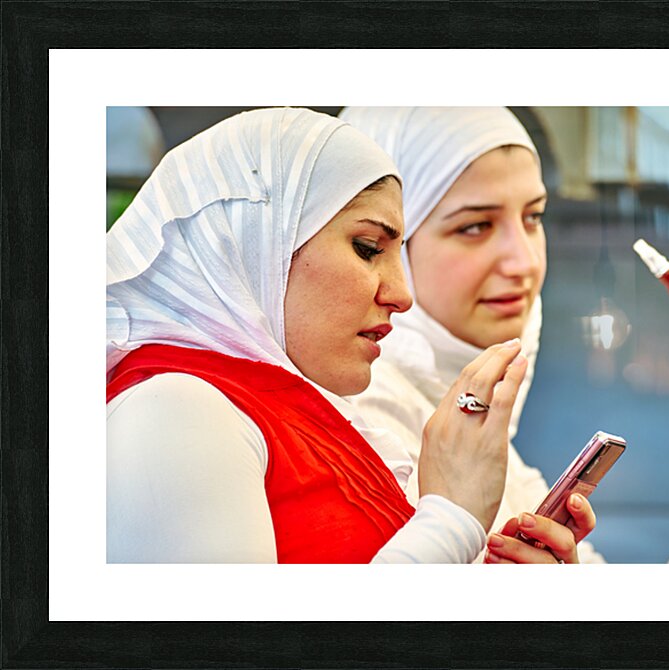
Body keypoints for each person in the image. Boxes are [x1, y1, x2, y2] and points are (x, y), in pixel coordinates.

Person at [341, 106, 669, 564]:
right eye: (475, 226)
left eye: (533, 218)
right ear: (387, 245)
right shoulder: (359, 444)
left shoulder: (486, 452)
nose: (524, 262)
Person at [105, 107, 557, 563]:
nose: (402, 295)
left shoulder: (304, 415)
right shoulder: (172, 409)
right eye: (367, 249)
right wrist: (453, 517)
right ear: (259, 243)